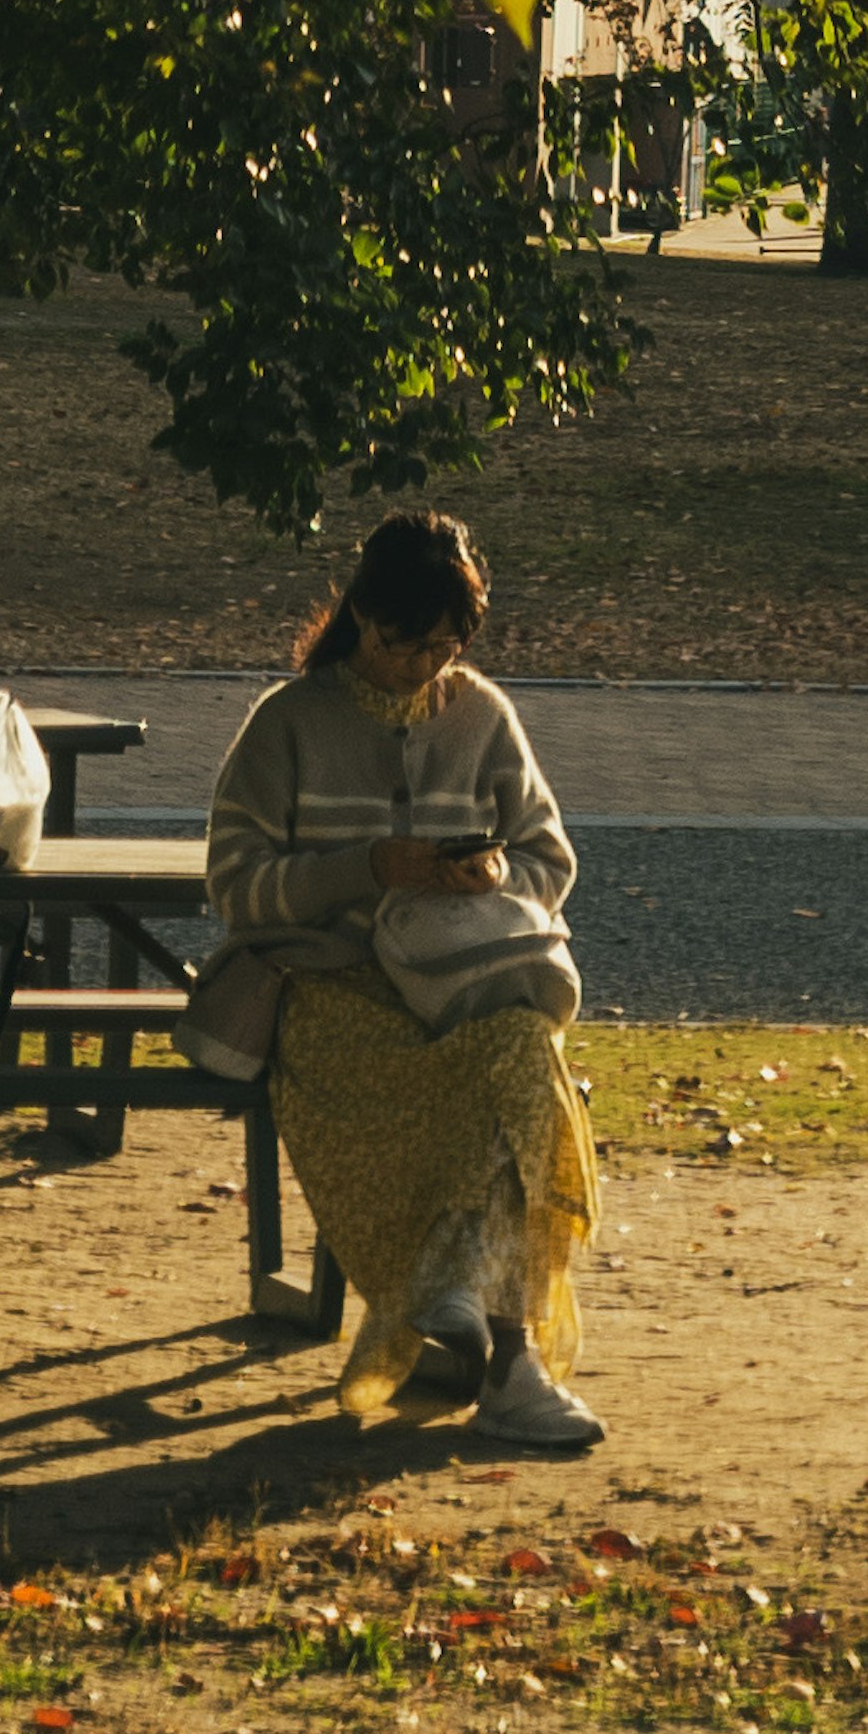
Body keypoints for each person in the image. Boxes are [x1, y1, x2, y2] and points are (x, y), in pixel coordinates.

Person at [205, 505, 603, 1454]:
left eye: (443, 645)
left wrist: (487, 880)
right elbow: (234, 885)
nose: (421, 665)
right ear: (359, 615)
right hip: (334, 994)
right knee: (496, 1094)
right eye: (401, 641)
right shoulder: (290, 721)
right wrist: (368, 871)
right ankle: (490, 1342)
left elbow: (549, 859)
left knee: (519, 1064)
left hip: (460, 984)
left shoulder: (481, 714)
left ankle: (490, 1331)